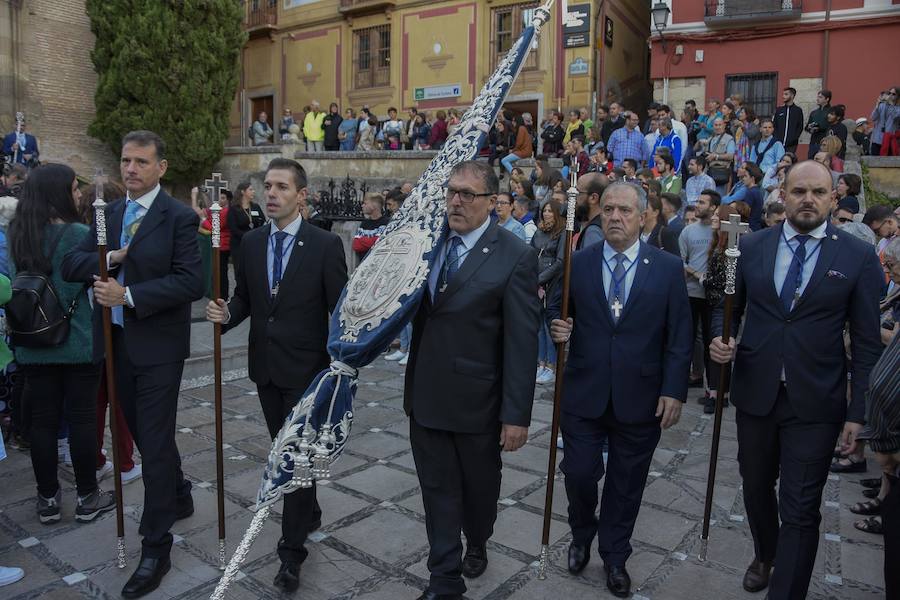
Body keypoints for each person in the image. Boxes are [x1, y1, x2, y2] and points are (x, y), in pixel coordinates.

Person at [709, 160, 884, 599]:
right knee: (754, 488)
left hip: (817, 402)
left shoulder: (858, 256)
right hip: (756, 393)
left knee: (802, 507)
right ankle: (766, 553)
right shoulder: (749, 249)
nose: (809, 199)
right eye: (799, 191)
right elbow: (724, 305)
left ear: (833, 199)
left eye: (819, 192)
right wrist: (719, 339)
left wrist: (859, 413)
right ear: (782, 195)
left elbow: (866, 343)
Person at [62, 131, 204, 598]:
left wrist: (130, 294)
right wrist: (111, 259)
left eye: (142, 161)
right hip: (116, 343)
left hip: (159, 348)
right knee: (146, 433)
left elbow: (191, 282)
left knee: (156, 443)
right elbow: (71, 264)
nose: (131, 169)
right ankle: (179, 493)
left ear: (161, 167)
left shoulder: (179, 217)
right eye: (126, 160)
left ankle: (155, 547)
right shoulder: (111, 214)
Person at [206, 157, 346, 593]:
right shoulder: (250, 243)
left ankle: (291, 554)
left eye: (282, 187)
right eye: (268, 185)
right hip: (265, 369)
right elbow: (246, 299)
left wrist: (343, 365)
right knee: (283, 453)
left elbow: (339, 309)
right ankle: (308, 508)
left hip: (306, 373)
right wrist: (225, 313)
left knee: (292, 461)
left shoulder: (324, 245)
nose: (271, 194)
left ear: (301, 196)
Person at [549, 182, 691, 599]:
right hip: (584, 390)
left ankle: (614, 556)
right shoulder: (580, 261)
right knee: (577, 473)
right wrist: (558, 329)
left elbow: (681, 336)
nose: (614, 216)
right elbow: (557, 310)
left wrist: (674, 390)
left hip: (642, 396)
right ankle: (581, 534)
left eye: (625, 210)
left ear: (643, 216)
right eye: (608, 208)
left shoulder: (665, 268)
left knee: (626, 482)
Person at [404, 161, 538, 600]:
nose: (456, 201)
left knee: (479, 494)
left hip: (479, 403)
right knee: (437, 491)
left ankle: (477, 537)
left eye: (467, 194)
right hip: (426, 397)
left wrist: (516, 415)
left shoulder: (515, 256)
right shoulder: (428, 244)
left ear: (493, 204)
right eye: (452, 192)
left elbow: (521, 342)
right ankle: (444, 580)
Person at [9, 162, 117, 524]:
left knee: (41, 423)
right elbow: (95, 277)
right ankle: (88, 496)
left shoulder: (17, 233)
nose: (76, 194)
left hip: (32, 341)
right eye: (72, 188)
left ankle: (48, 499)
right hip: (78, 340)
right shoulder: (78, 234)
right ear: (57, 192)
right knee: (83, 419)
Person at [679, 189, 720, 411]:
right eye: (698, 201)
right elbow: (680, 260)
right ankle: (681, 383)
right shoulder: (688, 231)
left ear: (714, 207)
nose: (698, 205)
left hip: (713, 296)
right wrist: (696, 274)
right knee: (686, 338)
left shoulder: (719, 230)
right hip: (691, 292)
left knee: (711, 341)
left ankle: (712, 390)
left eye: (703, 202)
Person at [532, 198, 566, 385]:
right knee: (538, 324)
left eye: (550, 211)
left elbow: (561, 261)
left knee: (548, 324)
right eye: (544, 210)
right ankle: (541, 363)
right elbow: (530, 253)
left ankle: (552, 365)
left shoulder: (561, 233)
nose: (546, 214)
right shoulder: (539, 232)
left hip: (552, 284)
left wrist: (541, 279)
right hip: (535, 284)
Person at [200, 188, 232, 301]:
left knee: (221, 272)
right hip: (218, 244)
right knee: (216, 271)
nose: (220, 200)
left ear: (228, 200)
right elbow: (210, 210)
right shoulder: (220, 210)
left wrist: (203, 220)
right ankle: (217, 293)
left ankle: (223, 296)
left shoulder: (225, 211)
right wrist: (205, 195)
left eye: (223, 198)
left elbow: (215, 227)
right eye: (219, 198)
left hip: (223, 245)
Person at [227, 181, 266, 267]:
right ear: (242, 192)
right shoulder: (234, 209)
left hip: (255, 244)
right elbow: (233, 229)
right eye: (251, 189)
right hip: (239, 245)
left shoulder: (255, 207)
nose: (253, 191)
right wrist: (248, 237)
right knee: (241, 271)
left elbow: (263, 221)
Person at [574, 173, 609, 250]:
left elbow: (590, 261)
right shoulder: (606, 222)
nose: (575, 198)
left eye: (578, 193)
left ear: (593, 198)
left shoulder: (593, 231)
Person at [352, 193, 390, 262]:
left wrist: (363, 240)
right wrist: (373, 241)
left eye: (365, 203)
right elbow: (356, 245)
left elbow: (382, 244)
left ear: (373, 206)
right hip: (363, 263)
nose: (362, 205)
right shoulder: (364, 223)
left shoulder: (386, 223)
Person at [773, 87, 804, 153]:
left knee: (789, 161)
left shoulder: (798, 110)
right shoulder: (779, 110)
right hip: (778, 143)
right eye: (783, 94)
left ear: (792, 96)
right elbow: (775, 125)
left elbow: (800, 127)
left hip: (791, 145)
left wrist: (793, 138)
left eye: (786, 94)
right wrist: (776, 138)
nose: (783, 96)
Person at [871, 86, 900, 156]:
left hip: (889, 141)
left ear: (898, 96)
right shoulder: (882, 105)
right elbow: (873, 117)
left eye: (893, 94)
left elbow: (895, 116)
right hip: (877, 139)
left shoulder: (898, 109)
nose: (890, 95)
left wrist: (891, 104)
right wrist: (877, 105)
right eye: (889, 93)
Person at [806, 89, 832, 159]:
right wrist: (809, 128)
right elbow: (807, 127)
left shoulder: (831, 112)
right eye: (817, 97)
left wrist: (819, 127)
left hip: (825, 142)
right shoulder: (814, 112)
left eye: (820, 97)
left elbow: (830, 126)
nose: (817, 99)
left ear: (827, 99)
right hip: (813, 142)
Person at [740, 162, 765, 231]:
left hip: (750, 227)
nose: (743, 179)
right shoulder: (758, 192)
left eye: (745, 176)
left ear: (752, 178)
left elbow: (745, 212)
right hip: (756, 226)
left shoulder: (750, 192)